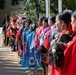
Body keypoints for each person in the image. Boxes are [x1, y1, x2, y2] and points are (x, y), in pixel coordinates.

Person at [49, 11, 76, 75]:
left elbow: (65, 59)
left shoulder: (65, 37)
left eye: (56, 21)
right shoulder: (64, 35)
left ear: (62, 23)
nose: (55, 24)